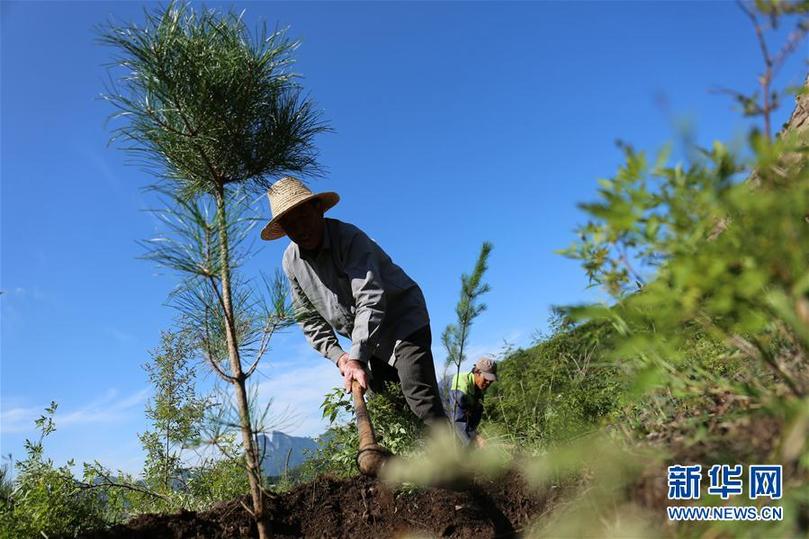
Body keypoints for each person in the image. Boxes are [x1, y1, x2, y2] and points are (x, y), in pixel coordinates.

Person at [261, 176, 447, 427]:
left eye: (303, 217)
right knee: (391, 403)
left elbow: (370, 296)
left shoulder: (348, 238)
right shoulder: (291, 262)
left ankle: (456, 465)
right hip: (369, 340)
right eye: (291, 225)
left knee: (420, 399)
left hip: (402, 321)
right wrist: (341, 357)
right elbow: (309, 319)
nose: (301, 229)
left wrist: (358, 357)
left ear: (318, 209)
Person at [448, 357, 497, 447]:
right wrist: (475, 438)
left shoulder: (479, 389)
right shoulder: (461, 386)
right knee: (454, 441)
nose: (488, 383)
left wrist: (475, 434)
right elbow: (457, 419)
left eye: (491, 381)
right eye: (486, 379)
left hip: (457, 415)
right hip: (443, 407)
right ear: (477, 372)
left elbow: (475, 417)